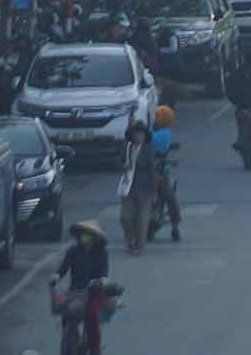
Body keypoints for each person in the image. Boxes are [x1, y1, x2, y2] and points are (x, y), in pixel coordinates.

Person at [51, 221, 112, 354]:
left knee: (93, 315)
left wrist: (100, 281)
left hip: (95, 291)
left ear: (95, 237)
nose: (84, 237)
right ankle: (70, 340)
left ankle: (95, 348)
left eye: (88, 234)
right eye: (82, 234)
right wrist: (56, 277)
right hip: (76, 291)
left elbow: (104, 273)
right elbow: (63, 269)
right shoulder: (73, 251)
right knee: (67, 312)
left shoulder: (102, 252)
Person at [118, 120, 157, 254]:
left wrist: (154, 192)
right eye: (136, 134)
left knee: (142, 220)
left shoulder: (148, 150)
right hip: (128, 187)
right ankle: (130, 241)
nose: (139, 137)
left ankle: (139, 246)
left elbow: (153, 171)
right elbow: (119, 161)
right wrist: (123, 166)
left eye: (141, 134)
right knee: (125, 217)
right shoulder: (127, 147)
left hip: (145, 189)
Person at [150, 105, 181, 242]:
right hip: (160, 172)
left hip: (152, 172)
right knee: (171, 199)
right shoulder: (164, 134)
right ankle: (175, 227)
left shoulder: (153, 134)